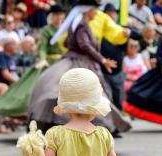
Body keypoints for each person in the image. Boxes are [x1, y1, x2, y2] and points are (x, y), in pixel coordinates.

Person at [30, 0, 130, 136]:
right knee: (92, 95)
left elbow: (67, 42)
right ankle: (103, 127)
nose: (96, 12)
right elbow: (85, 46)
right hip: (82, 64)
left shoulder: (77, 24)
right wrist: (103, 60)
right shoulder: (82, 25)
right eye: (94, 9)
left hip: (75, 61)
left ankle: (58, 124)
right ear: (87, 10)